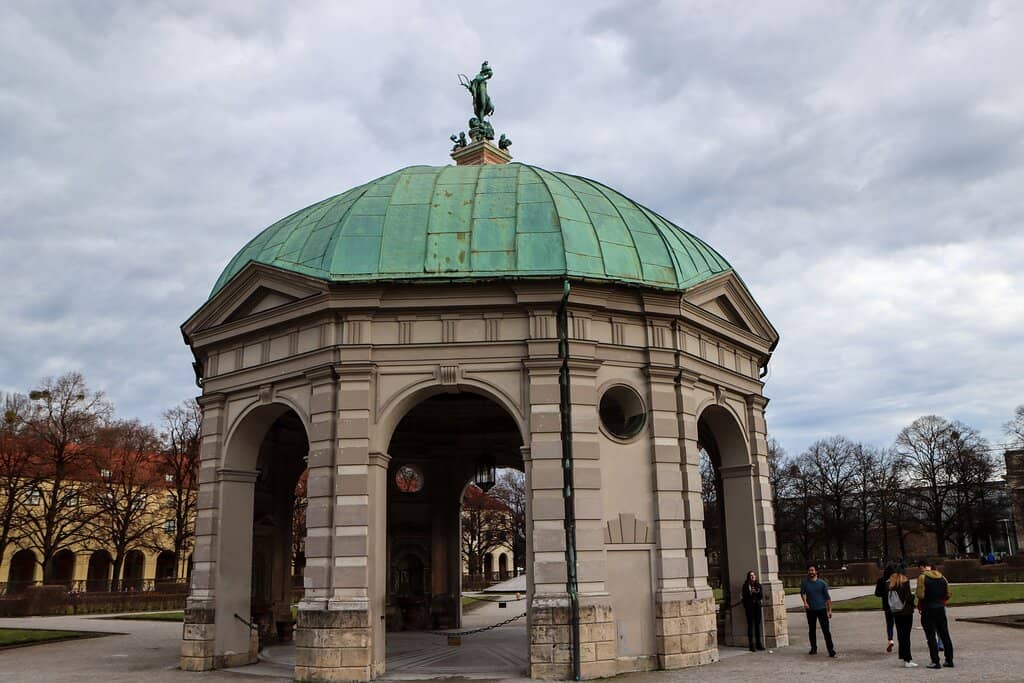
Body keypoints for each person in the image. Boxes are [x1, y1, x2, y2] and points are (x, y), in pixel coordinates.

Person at [916, 559, 954, 669]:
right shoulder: (942, 577)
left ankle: (935, 661)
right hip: (940, 608)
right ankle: (949, 660)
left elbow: (920, 595)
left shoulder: (922, 577)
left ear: (922, 567)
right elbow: (948, 594)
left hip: (928, 608)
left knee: (931, 636)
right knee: (945, 634)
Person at [800, 564, 835, 657]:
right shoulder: (805, 583)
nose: (811, 572)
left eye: (812, 570)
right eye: (809, 570)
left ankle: (831, 649)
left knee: (826, 630)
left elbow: (828, 598)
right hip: (811, 610)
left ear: (816, 572)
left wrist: (830, 610)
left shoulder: (822, 583)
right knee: (812, 630)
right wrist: (805, 602)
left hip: (822, 609)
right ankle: (813, 648)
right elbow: (803, 593)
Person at [887, 563, 917, 668]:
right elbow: (908, 598)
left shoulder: (891, 584)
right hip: (906, 612)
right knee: (906, 636)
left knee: (901, 635)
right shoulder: (905, 583)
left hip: (896, 612)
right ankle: (908, 659)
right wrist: (913, 597)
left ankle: (904, 657)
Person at [874, 563, 896, 652]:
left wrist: (884, 594)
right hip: (897, 605)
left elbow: (877, 593)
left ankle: (890, 639)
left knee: (889, 624)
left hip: (887, 605)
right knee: (899, 624)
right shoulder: (896, 580)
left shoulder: (881, 580)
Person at [741, 570, 765, 652]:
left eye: (754, 575)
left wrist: (756, 592)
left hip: (757, 607)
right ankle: (751, 645)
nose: (753, 576)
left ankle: (758, 643)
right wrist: (751, 592)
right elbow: (744, 597)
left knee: (757, 625)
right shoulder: (745, 586)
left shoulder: (758, 585)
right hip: (749, 608)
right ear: (748, 577)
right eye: (751, 575)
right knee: (750, 625)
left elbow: (761, 595)